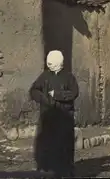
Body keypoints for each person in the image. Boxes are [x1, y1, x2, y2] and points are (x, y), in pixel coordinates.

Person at [30, 50, 79, 178]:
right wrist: (43, 99)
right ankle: (45, 168)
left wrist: (57, 95)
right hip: (48, 117)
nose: (50, 65)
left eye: (52, 62)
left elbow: (73, 93)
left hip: (64, 118)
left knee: (64, 146)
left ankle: (65, 170)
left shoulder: (69, 77)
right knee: (47, 144)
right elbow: (33, 90)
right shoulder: (45, 76)